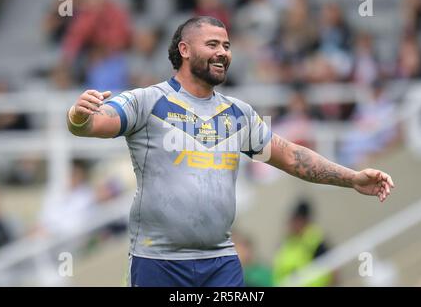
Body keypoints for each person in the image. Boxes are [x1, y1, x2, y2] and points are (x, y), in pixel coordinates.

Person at [66, 16, 395, 287]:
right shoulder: (147, 101)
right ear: (184, 49)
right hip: (158, 262)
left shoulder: (238, 114)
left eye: (226, 45)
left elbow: (292, 158)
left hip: (220, 262)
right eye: (212, 44)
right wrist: (78, 116)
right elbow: (94, 124)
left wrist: (352, 178)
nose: (223, 52)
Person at [272, 197, 335, 287]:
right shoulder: (287, 243)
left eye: (295, 220)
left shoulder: (315, 241)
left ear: (303, 221)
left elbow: (333, 269)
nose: (291, 224)